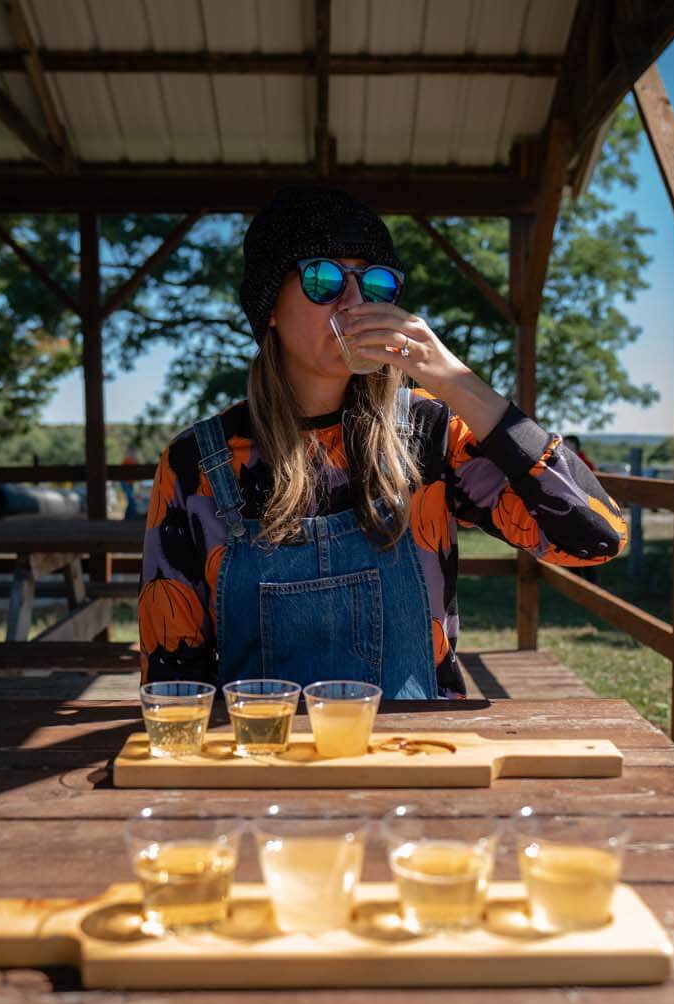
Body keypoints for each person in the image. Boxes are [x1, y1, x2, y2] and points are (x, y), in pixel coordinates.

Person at [138, 186, 628, 699]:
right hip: (263, 763)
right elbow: (173, 682)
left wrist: (457, 382)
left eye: (374, 284)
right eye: (323, 278)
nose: (353, 303)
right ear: (269, 310)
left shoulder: (433, 436)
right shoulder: (195, 462)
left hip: (416, 756)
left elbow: (596, 538)